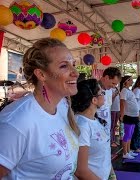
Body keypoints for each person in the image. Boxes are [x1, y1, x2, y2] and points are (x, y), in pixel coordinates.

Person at [0, 38, 80, 179]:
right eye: (64, 66)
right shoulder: (17, 121)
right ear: (42, 74)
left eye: (73, 64)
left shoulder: (62, 106)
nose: (76, 72)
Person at [71, 79, 116, 180]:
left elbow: (105, 153)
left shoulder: (96, 120)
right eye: (101, 93)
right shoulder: (82, 126)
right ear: (94, 100)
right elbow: (80, 171)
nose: (104, 95)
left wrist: (111, 174)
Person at [120, 76, 140, 159]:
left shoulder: (129, 90)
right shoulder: (124, 90)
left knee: (130, 134)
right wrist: (122, 115)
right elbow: (122, 103)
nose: (132, 81)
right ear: (126, 81)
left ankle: (128, 151)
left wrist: (138, 114)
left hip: (133, 115)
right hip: (128, 116)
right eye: (131, 80)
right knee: (127, 134)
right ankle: (125, 153)